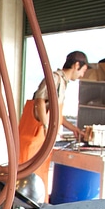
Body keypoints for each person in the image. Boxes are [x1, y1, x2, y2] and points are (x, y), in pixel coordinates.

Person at [17, 50, 88, 198]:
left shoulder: (63, 83)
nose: (82, 75)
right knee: (27, 179)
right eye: (83, 71)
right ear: (76, 65)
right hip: (34, 136)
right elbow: (40, 100)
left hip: (42, 138)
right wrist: (46, 126)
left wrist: (74, 129)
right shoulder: (54, 79)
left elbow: (57, 115)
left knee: (38, 179)